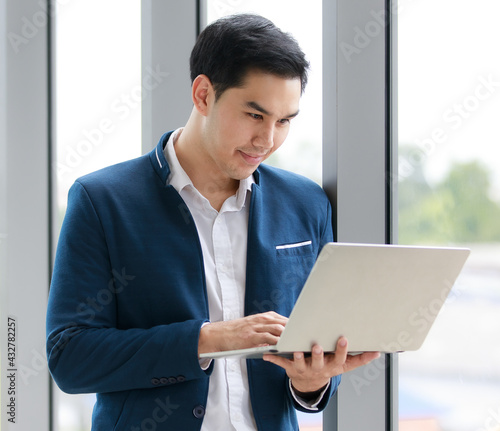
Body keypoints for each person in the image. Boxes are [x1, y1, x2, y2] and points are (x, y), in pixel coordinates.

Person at [46, 13, 379, 431]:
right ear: (203, 94)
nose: (268, 140)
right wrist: (209, 340)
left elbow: (310, 356)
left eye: (285, 121)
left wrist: (310, 383)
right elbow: (70, 357)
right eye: (255, 116)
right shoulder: (102, 200)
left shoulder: (306, 203)